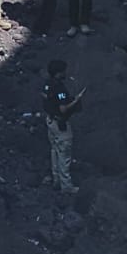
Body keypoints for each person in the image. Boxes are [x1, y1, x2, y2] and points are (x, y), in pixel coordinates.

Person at [42, 60, 85, 193]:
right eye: (63, 71)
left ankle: (56, 180)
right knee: (64, 155)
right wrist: (75, 100)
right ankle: (66, 186)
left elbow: (45, 99)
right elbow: (63, 109)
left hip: (50, 121)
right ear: (58, 73)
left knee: (54, 151)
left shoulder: (47, 84)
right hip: (60, 124)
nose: (65, 73)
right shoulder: (59, 88)